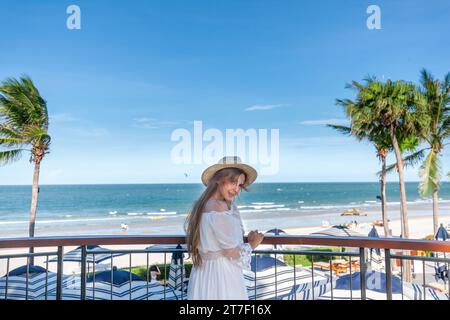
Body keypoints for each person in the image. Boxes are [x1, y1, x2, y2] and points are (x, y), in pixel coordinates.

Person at [185, 156, 264, 300]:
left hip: (204, 273)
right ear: (218, 179)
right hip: (221, 276)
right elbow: (232, 252)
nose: (236, 189)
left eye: (240, 185)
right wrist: (253, 243)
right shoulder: (218, 210)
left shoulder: (204, 204)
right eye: (233, 182)